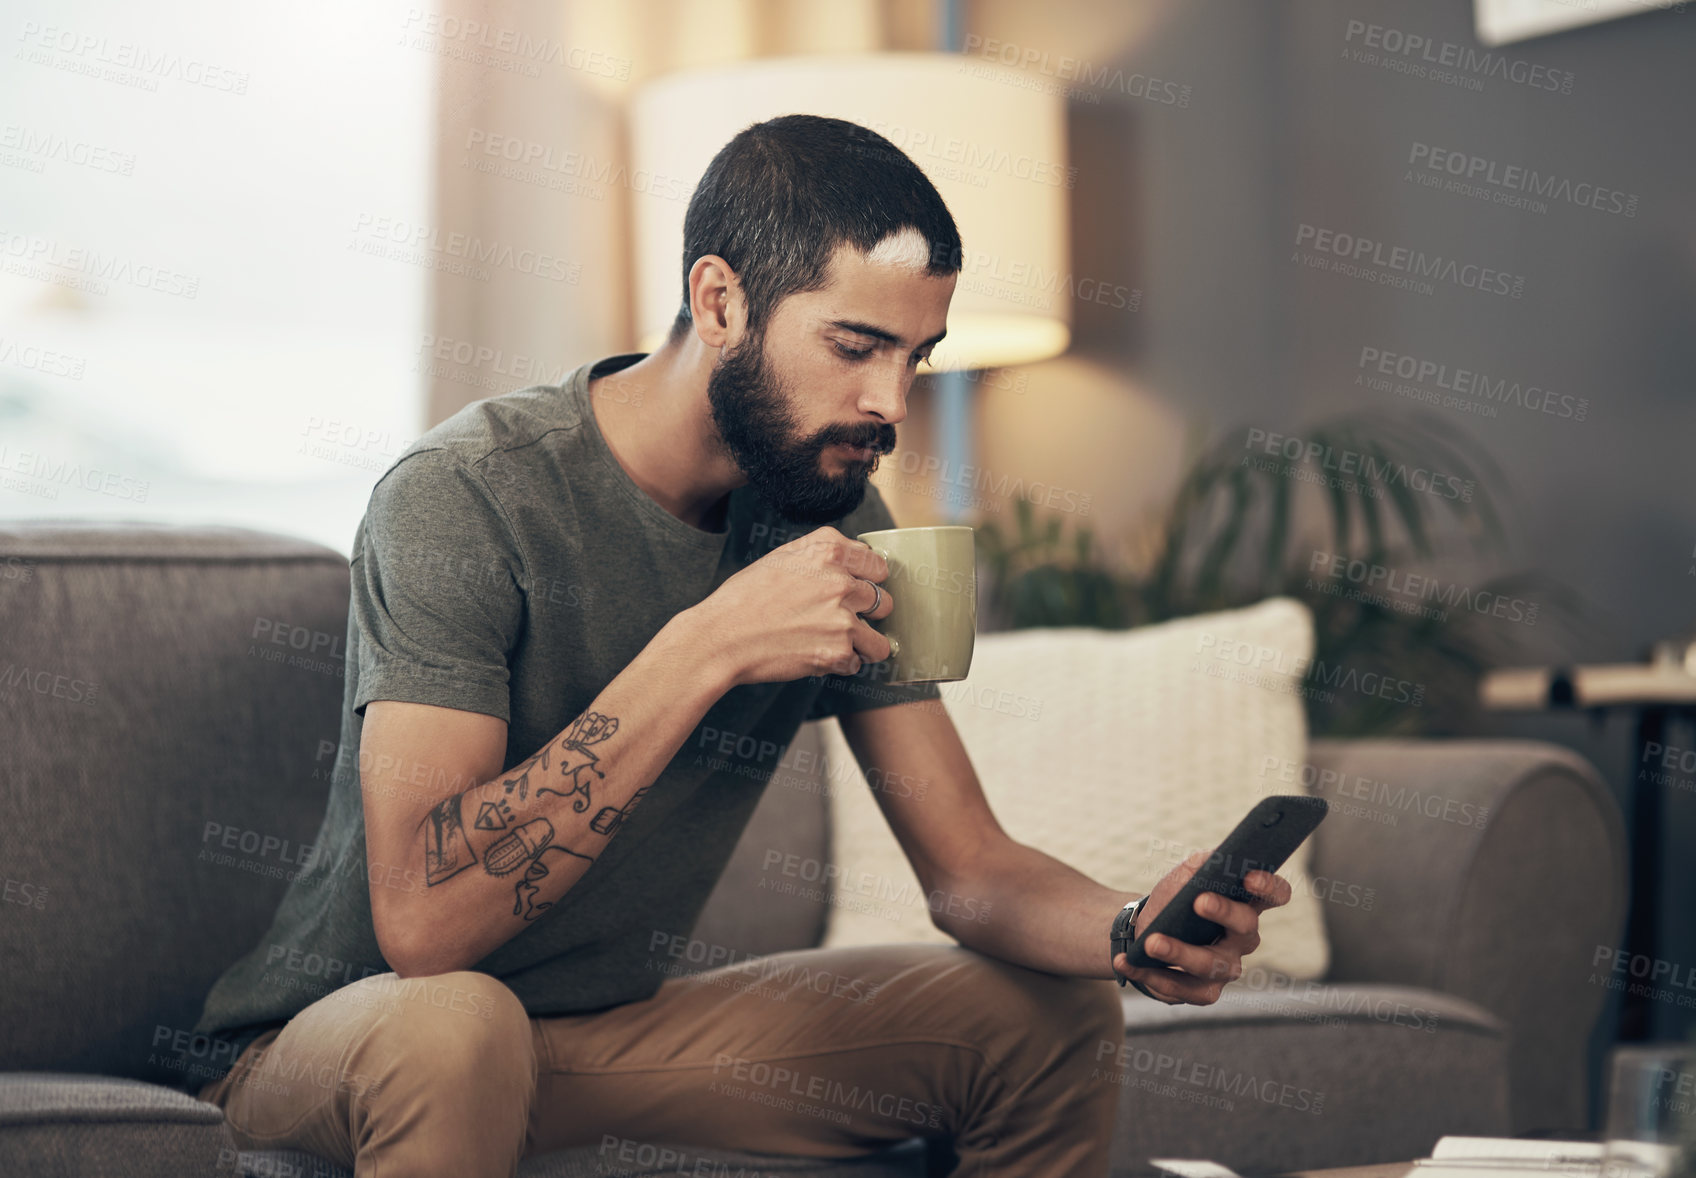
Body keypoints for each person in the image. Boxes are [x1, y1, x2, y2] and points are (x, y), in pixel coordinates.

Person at [181, 113, 1291, 1178]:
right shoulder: (464, 496)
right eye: (855, 345)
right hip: (348, 1042)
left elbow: (970, 869)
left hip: (595, 1040)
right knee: (458, 1023)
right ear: (719, 299)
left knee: (1048, 1012)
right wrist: (707, 643)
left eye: (917, 354)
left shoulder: (850, 524)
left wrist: (1131, 925)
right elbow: (423, 927)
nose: (888, 399)